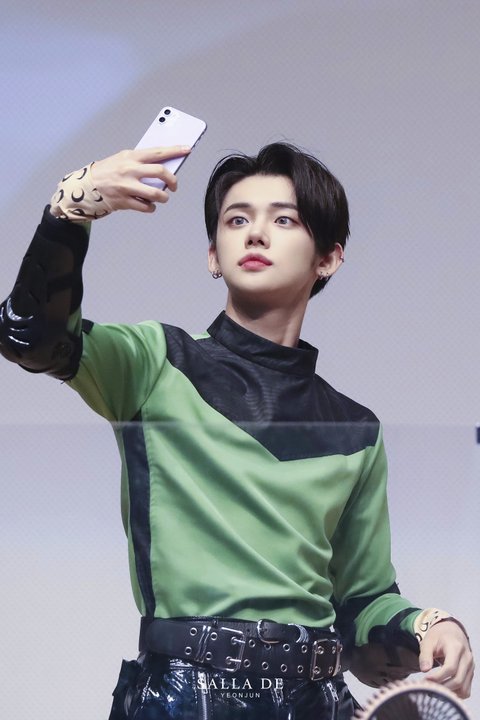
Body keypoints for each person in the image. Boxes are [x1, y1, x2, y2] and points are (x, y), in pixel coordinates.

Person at [0, 142, 474, 719]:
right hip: (184, 698)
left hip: (317, 700)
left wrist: (430, 624)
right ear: (213, 256)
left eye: (284, 220)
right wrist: (70, 208)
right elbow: (30, 337)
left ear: (328, 258)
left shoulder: (356, 430)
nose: (256, 234)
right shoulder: (155, 361)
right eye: (237, 220)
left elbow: (362, 602)